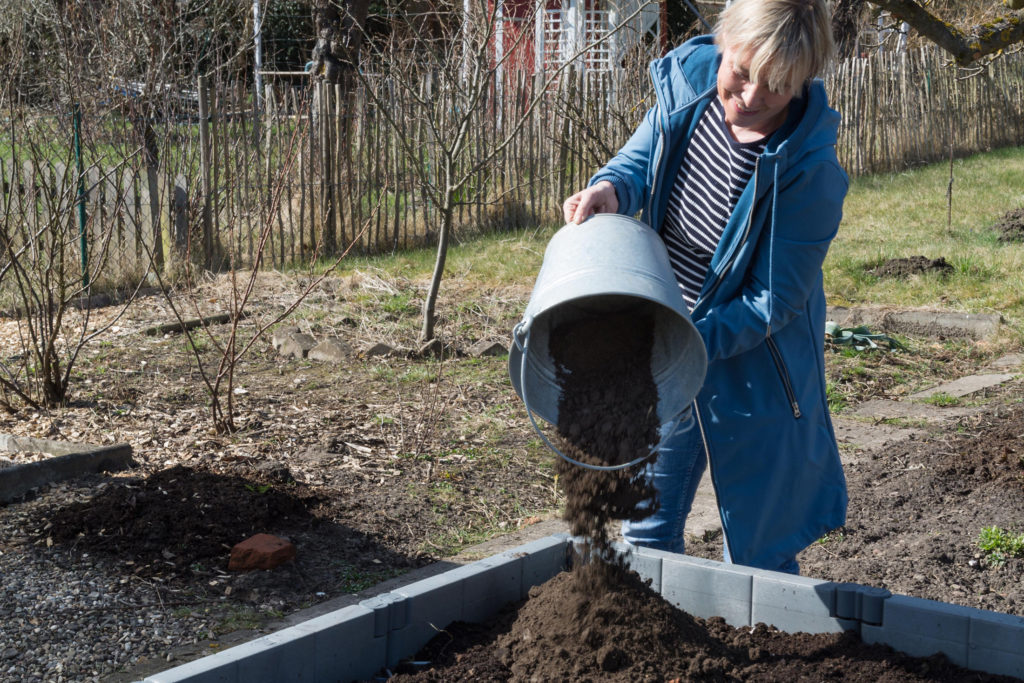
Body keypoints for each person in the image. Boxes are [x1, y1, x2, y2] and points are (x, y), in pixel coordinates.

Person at [562, 0, 847, 574]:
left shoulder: (808, 171)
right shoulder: (688, 91)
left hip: (754, 368)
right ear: (723, 45)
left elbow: (774, 300)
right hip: (669, 344)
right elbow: (642, 159)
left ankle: (776, 655)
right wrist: (611, 188)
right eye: (740, 72)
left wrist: (687, 340)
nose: (749, 97)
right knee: (647, 529)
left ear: (801, 80)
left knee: (759, 553)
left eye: (775, 86)